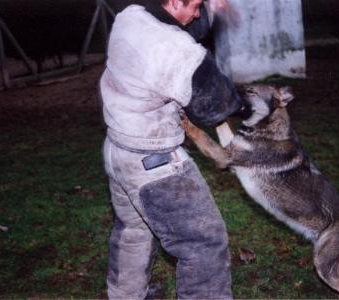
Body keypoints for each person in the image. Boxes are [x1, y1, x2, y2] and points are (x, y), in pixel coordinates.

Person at [99, 0, 243, 298]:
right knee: (203, 243)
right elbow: (215, 107)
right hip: (155, 164)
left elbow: (178, 27)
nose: (197, 14)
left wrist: (213, 9)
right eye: (197, 6)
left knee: (133, 231)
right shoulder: (176, 51)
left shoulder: (130, 17)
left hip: (119, 149)